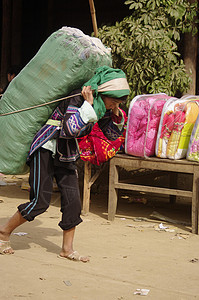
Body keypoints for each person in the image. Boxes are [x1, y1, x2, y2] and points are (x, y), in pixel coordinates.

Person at [0, 66, 130, 262]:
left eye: (119, 102)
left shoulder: (103, 108)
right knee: (40, 202)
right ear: (104, 92)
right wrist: (87, 105)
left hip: (67, 153)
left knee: (73, 203)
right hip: (46, 147)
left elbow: (110, 134)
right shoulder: (78, 97)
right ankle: (3, 232)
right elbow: (69, 129)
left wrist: (116, 117)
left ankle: (67, 250)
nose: (115, 105)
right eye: (114, 100)